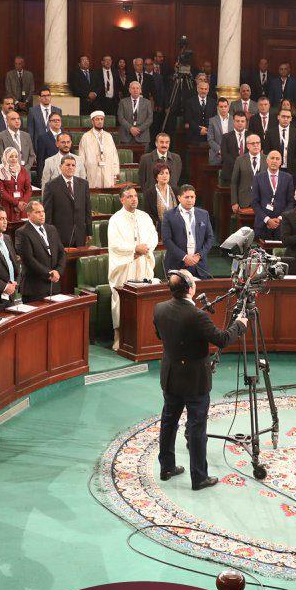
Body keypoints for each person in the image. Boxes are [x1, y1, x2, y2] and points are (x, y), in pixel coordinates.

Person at [154, 269, 246, 492]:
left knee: (168, 422)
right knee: (196, 428)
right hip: (194, 381)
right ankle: (199, 477)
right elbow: (222, 340)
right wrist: (240, 324)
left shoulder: (160, 308)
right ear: (190, 288)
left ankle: (166, 467)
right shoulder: (197, 316)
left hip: (171, 376)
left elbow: (160, 335)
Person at [106, 186, 158, 344]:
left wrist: (145, 249)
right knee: (121, 299)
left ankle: (142, 336)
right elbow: (115, 245)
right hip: (124, 265)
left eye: (135, 196)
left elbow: (154, 236)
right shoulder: (115, 220)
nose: (134, 199)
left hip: (142, 261)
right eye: (129, 196)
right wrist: (134, 249)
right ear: (122, 200)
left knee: (143, 297)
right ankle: (119, 335)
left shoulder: (144, 217)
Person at [162, 185, 215, 278]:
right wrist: (185, 257)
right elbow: (167, 240)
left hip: (199, 265)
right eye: (186, 197)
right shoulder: (169, 215)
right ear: (179, 198)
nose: (190, 200)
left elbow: (210, 238)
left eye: (192, 197)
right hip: (177, 264)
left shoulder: (203, 214)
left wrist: (199, 256)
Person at [15, 200, 64, 302]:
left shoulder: (52, 229)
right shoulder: (22, 232)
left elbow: (61, 253)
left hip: (54, 285)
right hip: (35, 288)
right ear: (28, 215)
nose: (42, 215)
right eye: (37, 212)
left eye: (43, 211)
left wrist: (58, 271)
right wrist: (49, 274)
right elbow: (28, 259)